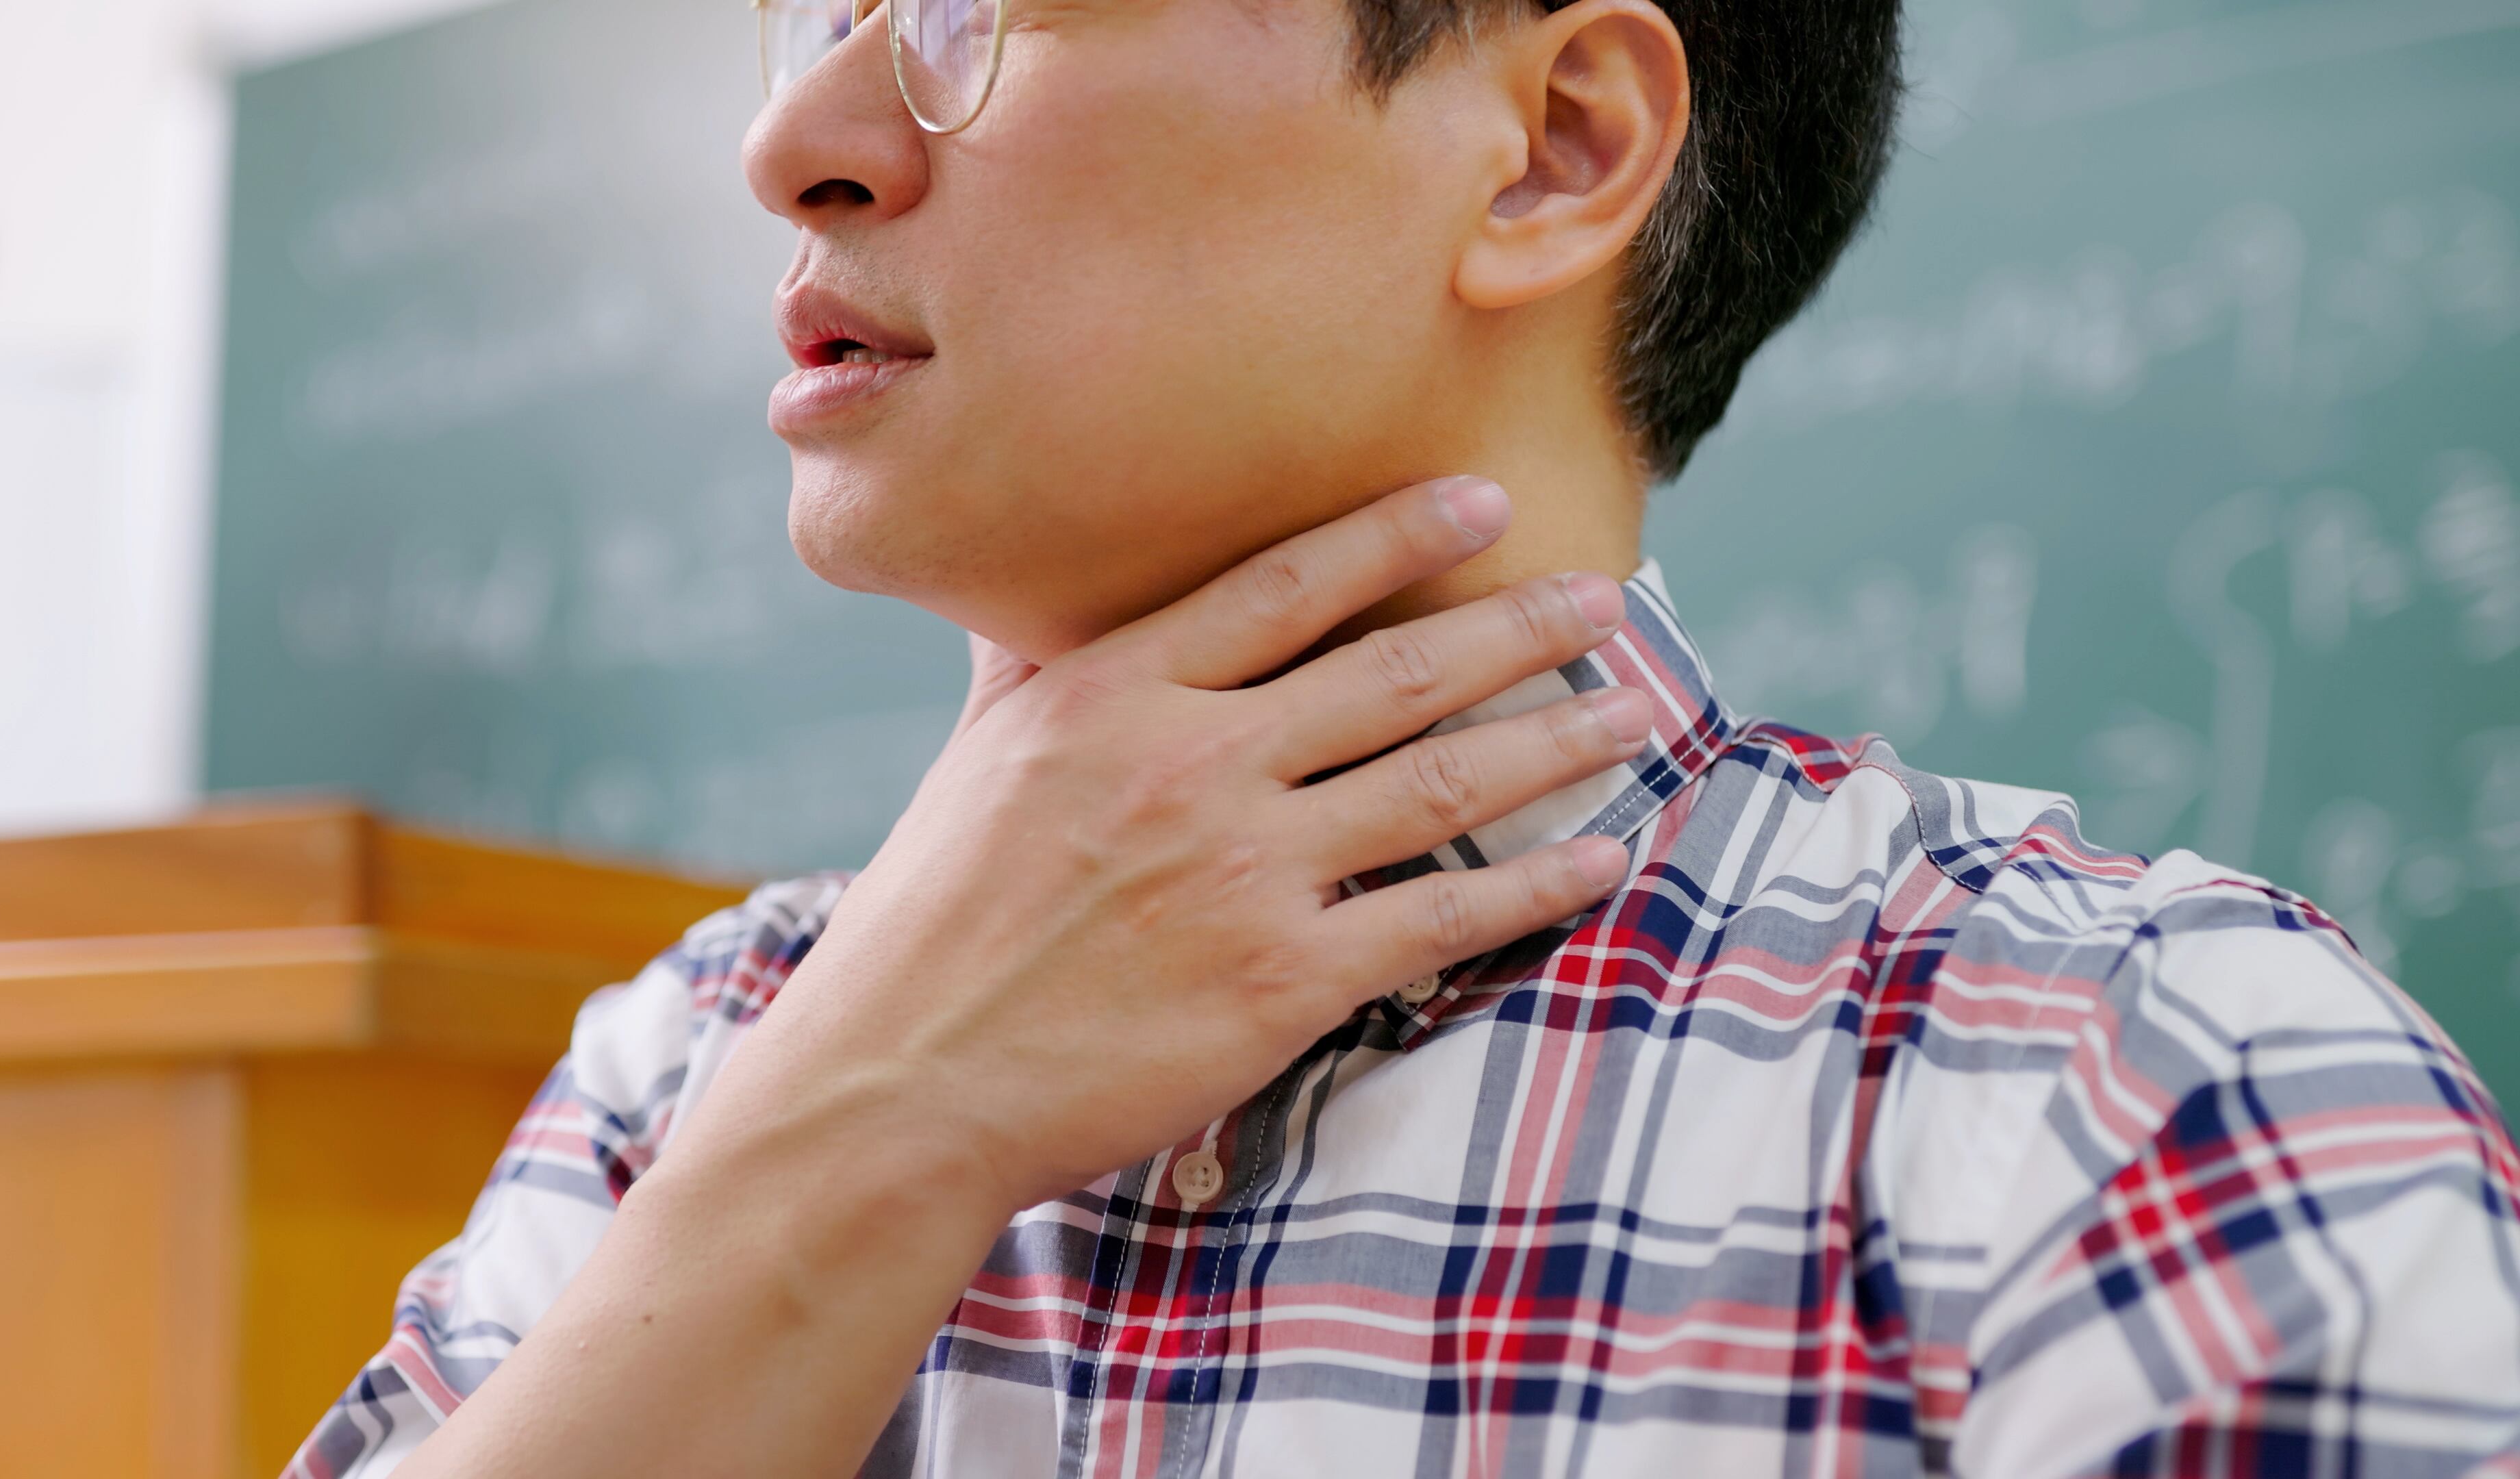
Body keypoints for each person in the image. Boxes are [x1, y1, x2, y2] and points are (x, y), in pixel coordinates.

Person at [288, 0, 2520, 1469]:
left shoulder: (2133, 1088)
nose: (796, 140)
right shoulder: (693, 1070)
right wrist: (857, 1135)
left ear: (1553, 147)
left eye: (983, 5)